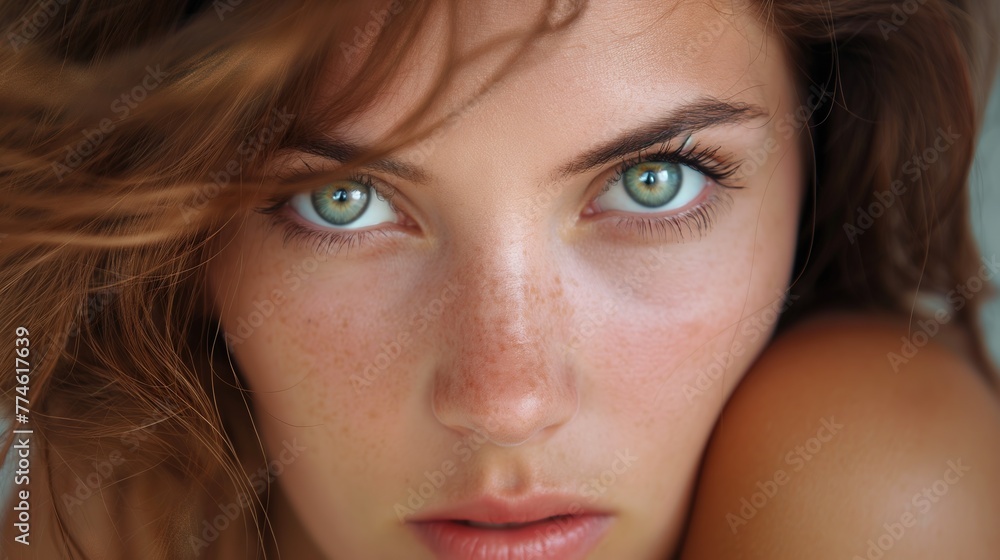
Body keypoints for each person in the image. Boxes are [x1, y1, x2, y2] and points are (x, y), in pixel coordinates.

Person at [1, 0, 999, 558]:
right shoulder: (53, 486)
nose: (506, 400)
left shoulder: (878, 475)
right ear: (186, 232)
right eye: (341, 201)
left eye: (653, 184)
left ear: (818, 157)